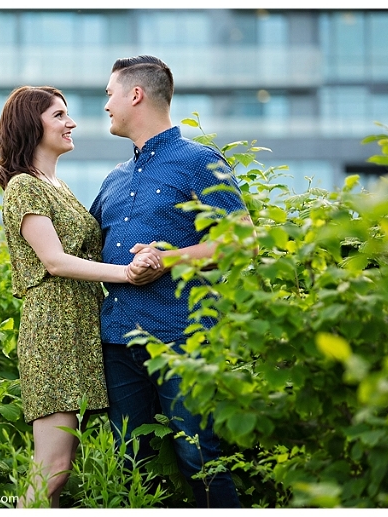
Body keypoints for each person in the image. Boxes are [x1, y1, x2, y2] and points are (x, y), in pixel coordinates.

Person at [89, 55, 252, 508]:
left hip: (182, 340)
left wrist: (169, 259)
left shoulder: (199, 161)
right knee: (128, 464)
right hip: (118, 342)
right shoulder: (114, 179)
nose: (106, 105)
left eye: (109, 94)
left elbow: (242, 243)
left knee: (199, 459)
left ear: (134, 95)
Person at [0, 86, 157, 508]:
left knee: (65, 463)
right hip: (53, 332)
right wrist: (127, 274)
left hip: (80, 328)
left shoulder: (57, 185)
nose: (72, 123)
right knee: (54, 466)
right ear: (33, 125)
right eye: (59, 115)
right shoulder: (25, 187)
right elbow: (55, 262)